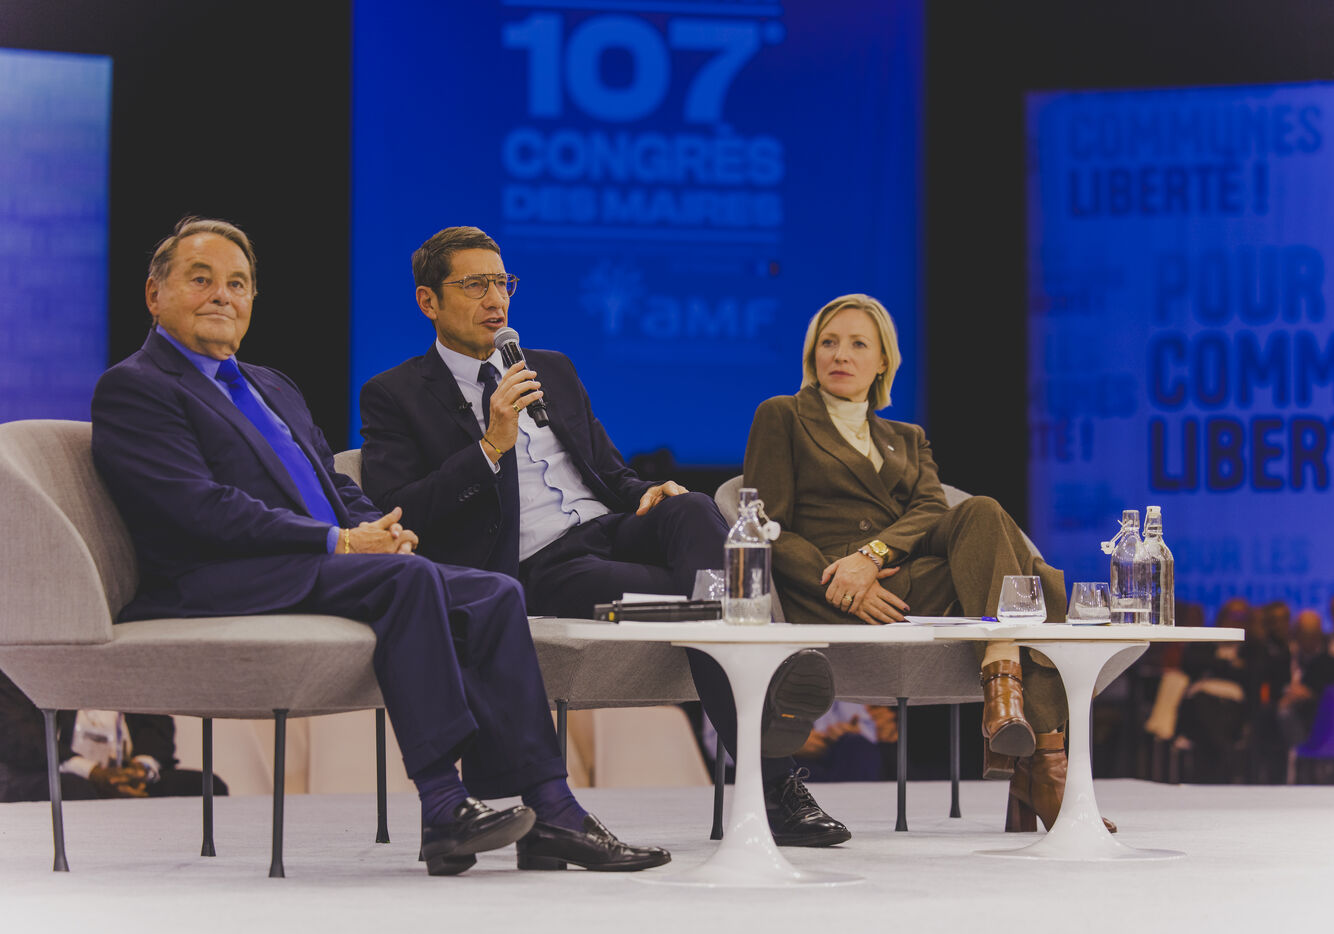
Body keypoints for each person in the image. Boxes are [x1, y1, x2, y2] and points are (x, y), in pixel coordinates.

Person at [89, 216, 667, 875]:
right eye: (201, 279)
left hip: (310, 561)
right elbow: (199, 508)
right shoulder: (137, 386)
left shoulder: (271, 385)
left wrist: (383, 530)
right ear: (154, 294)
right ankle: (443, 806)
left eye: (238, 283)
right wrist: (338, 540)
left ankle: (550, 811)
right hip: (218, 574)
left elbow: (334, 483)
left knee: (493, 591)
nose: (223, 294)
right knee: (409, 581)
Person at [359, 226, 847, 847]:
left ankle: (753, 676)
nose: (496, 299)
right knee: (708, 600)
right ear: (428, 301)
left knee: (693, 510)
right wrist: (489, 446)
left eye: (503, 283)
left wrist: (647, 492)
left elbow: (610, 473)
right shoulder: (395, 394)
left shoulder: (552, 369)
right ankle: (773, 767)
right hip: (537, 564)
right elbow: (399, 513)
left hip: (611, 528)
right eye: (475, 285)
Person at [742, 293, 1113, 833]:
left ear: (882, 362)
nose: (840, 355)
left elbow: (932, 510)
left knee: (983, 511)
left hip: (899, 578)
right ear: (811, 354)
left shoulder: (907, 438)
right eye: (829, 342)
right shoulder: (782, 415)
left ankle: (1008, 689)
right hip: (833, 590)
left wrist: (872, 556)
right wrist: (844, 576)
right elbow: (765, 525)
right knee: (1027, 591)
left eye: (858, 344)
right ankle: (1040, 764)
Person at [0, 669, 226, 801]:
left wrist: (142, 768)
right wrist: (93, 773)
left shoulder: (130, 667)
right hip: (56, 772)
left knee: (208, 785)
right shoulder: (23, 667)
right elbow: (20, 738)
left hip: (126, 772)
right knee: (77, 790)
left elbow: (157, 727)